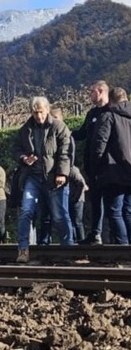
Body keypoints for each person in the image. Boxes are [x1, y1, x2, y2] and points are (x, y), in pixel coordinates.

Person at [12, 96, 73, 262]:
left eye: (40, 112)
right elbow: (16, 149)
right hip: (32, 176)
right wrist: (24, 158)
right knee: (26, 211)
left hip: (53, 177)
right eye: (35, 112)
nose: (38, 116)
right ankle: (23, 250)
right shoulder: (25, 129)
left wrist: (62, 173)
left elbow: (65, 153)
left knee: (60, 215)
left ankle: (68, 250)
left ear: (47, 109)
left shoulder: (59, 127)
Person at [88, 87, 131, 244]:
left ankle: (123, 247)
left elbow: (99, 144)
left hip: (113, 172)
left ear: (111, 100)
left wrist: (95, 168)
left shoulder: (108, 116)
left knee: (114, 211)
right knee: (128, 211)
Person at [72, 80, 110, 244]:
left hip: (108, 166)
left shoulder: (111, 112)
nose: (89, 95)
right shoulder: (92, 114)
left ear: (101, 91)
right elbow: (82, 134)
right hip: (92, 166)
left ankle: (115, 237)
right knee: (95, 201)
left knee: (112, 203)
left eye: (91, 92)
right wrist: (65, 132)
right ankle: (95, 233)